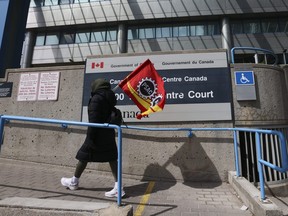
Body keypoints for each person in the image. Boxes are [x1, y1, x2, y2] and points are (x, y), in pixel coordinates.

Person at [61, 78, 125, 198]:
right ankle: (118, 187)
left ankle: (74, 182)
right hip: (108, 133)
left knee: (84, 156)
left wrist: (90, 137)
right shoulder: (110, 98)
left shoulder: (96, 98)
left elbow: (94, 120)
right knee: (111, 158)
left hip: (97, 134)